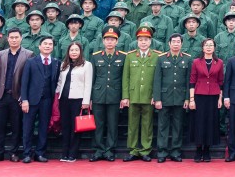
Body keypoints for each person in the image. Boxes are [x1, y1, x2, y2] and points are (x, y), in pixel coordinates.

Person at [0, 27, 31, 162]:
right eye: (11, 37)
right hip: (1, 95)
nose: (13, 40)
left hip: (17, 96)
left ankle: (14, 152)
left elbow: (29, 78)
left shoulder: (28, 54)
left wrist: (24, 97)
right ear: (7, 39)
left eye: (16, 37)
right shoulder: (1, 54)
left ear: (21, 38)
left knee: (16, 127)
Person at [122, 25, 159, 161]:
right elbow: (126, 77)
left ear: (150, 41)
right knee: (132, 124)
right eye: (140, 40)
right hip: (133, 96)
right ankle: (133, 150)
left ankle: (145, 150)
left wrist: (155, 96)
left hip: (148, 96)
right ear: (137, 41)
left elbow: (157, 79)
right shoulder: (130, 56)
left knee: (147, 124)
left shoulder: (156, 56)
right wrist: (125, 96)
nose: (143, 42)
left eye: (146, 40)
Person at [89, 26, 126, 162]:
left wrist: (123, 96)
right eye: (107, 39)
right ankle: (98, 150)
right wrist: (90, 98)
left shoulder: (123, 56)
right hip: (98, 95)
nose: (109, 42)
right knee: (98, 125)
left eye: (112, 39)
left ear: (117, 42)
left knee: (112, 124)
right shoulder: (96, 56)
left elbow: (124, 78)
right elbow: (92, 78)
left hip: (115, 96)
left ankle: (110, 150)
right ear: (103, 41)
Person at [20, 35, 59, 163]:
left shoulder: (55, 62)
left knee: (43, 127)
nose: (47, 46)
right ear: (39, 46)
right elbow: (24, 82)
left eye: (50, 44)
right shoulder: (31, 61)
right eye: (45, 44)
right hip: (31, 100)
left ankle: (40, 153)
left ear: (53, 47)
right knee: (28, 127)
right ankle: (26, 153)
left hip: (47, 99)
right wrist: (24, 100)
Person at [154, 33, 191, 163]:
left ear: (182, 44)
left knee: (177, 126)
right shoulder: (161, 58)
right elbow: (157, 80)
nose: (176, 44)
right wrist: (157, 98)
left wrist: (187, 98)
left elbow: (188, 81)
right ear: (169, 44)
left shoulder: (187, 59)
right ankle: (162, 152)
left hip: (180, 98)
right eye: (173, 41)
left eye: (178, 42)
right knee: (163, 126)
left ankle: (176, 151)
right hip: (164, 97)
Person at [56, 41, 94, 162]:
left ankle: (73, 153)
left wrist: (86, 101)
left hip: (78, 100)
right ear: (68, 52)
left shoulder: (86, 65)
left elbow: (88, 84)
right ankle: (64, 153)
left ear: (80, 52)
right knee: (65, 126)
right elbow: (60, 82)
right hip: (64, 99)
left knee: (75, 127)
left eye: (76, 50)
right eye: (71, 50)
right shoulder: (64, 64)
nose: (74, 52)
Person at [190, 37, 224, 162]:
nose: (209, 47)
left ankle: (207, 150)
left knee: (211, 122)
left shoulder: (219, 62)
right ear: (202, 48)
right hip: (199, 95)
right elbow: (192, 81)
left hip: (213, 96)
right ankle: (198, 149)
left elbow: (221, 81)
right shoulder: (196, 62)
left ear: (214, 47)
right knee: (199, 122)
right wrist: (192, 99)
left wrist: (220, 98)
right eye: (206, 45)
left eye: (211, 45)